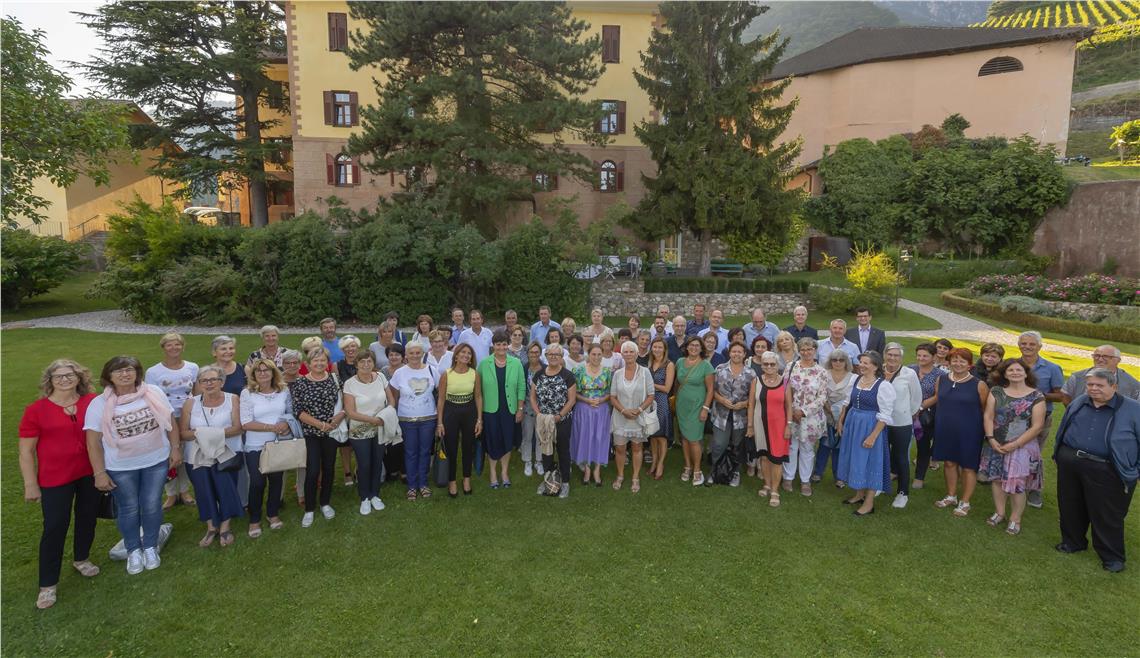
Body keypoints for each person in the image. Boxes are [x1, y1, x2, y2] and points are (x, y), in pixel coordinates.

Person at [85, 356, 180, 575]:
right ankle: (133, 550)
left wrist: (175, 448)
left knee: (151, 504)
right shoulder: (99, 404)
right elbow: (93, 442)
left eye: (129, 370)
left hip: (155, 461)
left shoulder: (153, 392)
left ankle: (150, 547)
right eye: (118, 371)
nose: (125, 374)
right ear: (109, 376)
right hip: (120, 467)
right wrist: (99, 473)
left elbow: (170, 421)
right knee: (128, 508)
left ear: (137, 372)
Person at [19, 359, 100, 609]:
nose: (64, 380)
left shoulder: (92, 402)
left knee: (87, 517)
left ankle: (81, 558)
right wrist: (30, 484)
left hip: (89, 472)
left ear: (79, 378)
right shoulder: (36, 410)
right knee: (55, 526)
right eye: (58, 376)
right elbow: (26, 451)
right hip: (55, 477)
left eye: (70, 375)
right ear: (50, 381)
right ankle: (47, 585)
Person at [1053, 368, 1140, 573]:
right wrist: (1059, 454)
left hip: (1107, 468)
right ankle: (1073, 542)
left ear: (1114, 386)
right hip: (1071, 463)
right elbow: (1064, 426)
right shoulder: (1080, 401)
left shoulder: (1133, 409)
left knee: (1107, 514)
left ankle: (1112, 558)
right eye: (1090, 384)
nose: (1093, 388)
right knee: (1070, 505)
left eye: (1099, 385)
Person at [979, 358, 1045, 536]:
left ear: (1026, 373)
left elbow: (1037, 426)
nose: (1015, 373)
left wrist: (1014, 444)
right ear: (1004, 374)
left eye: (1018, 370)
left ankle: (1015, 519)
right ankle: (999, 512)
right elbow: (988, 416)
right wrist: (991, 438)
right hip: (996, 444)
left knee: (1017, 485)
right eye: (1010, 370)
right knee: (996, 479)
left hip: (1021, 447)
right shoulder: (996, 391)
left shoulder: (1036, 396)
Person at [180, 366, 244, 548]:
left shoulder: (233, 399)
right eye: (204, 381)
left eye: (213, 380)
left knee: (226, 488)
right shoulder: (190, 403)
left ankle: (225, 526)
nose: (209, 384)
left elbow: (237, 428)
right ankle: (211, 527)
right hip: (197, 456)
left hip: (226, 454)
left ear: (221, 382)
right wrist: (215, 433)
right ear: (199, 384)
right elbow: (184, 433)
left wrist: (201, 433)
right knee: (203, 490)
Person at [931, 348, 989, 517]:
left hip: (970, 431)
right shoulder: (941, 379)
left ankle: (965, 502)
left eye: (962, 361)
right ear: (949, 362)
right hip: (945, 429)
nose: (958, 364)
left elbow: (985, 409)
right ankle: (951, 496)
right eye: (954, 360)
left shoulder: (979, 384)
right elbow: (939, 400)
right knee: (949, 463)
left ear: (969, 364)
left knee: (968, 466)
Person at [837, 352, 897, 516]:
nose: (861, 365)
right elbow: (847, 402)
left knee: (870, 462)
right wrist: (841, 420)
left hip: (870, 426)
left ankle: (869, 503)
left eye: (866, 363)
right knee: (856, 458)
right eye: (861, 362)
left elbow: (885, 414)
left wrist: (873, 436)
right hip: (853, 423)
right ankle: (859, 494)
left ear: (875, 366)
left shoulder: (883, 386)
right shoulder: (855, 379)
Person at [292, 347, 346, 526]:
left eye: (323, 360)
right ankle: (309, 509)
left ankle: (325, 503)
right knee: (313, 470)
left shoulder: (334, 379)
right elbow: (298, 411)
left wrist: (339, 417)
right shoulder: (300, 383)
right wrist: (320, 425)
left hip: (332, 431)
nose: (319, 363)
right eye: (315, 361)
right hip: (311, 433)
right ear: (308, 364)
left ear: (327, 363)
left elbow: (344, 403)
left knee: (329, 468)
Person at [240, 359, 293, 536]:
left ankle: (272, 514)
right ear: (253, 374)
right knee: (257, 482)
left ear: (273, 372)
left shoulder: (283, 390)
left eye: (266, 370)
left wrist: (286, 424)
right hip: (255, 445)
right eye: (259, 371)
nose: (263, 373)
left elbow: (290, 412)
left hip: (278, 443)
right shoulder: (247, 393)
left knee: (276, 480)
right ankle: (254, 519)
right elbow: (246, 422)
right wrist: (271, 427)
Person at [146, 333, 197, 510]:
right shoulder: (153, 372)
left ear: (183, 346)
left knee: (185, 452)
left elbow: (197, 392)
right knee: (170, 453)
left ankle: (184, 490)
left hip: (188, 416)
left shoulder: (192, 367)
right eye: (169, 345)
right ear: (163, 348)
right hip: (166, 417)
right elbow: (151, 397)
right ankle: (171, 493)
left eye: (177, 344)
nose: (174, 348)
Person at [1016, 331, 1064, 509]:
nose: (1027, 347)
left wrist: (1039, 396)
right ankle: (1012, 482)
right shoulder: (1012, 365)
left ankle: (1035, 489)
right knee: (1014, 451)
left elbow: (1060, 395)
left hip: (1040, 419)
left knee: (1034, 455)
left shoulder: (1052, 368)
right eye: (1024, 343)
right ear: (1019, 345)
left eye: (1032, 344)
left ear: (1039, 347)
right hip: (1014, 418)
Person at [342, 351, 393, 512]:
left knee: (377, 462)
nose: (366, 364)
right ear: (356, 364)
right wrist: (373, 420)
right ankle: (364, 497)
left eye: (369, 361)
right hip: (360, 430)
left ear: (373, 363)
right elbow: (350, 412)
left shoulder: (381, 377)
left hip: (380, 427)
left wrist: (385, 415)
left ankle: (375, 494)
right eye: (362, 362)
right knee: (364, 464)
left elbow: (391, 400)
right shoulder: (350, 384)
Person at [388, 342, 440, 500]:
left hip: (428, 418)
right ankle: (411, 485)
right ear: (406, 355)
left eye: (418, 352)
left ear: (423, 354)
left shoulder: (432, 370)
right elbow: (394, 397)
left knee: (425, 451)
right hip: (406, 419)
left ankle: (423, 483)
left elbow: (440, 394)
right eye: (411, 353)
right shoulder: (399, 373)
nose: (415, 356)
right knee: (410, 452)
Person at [476, 333, 526, 489]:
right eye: (498, 344)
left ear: (508, 345)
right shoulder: (484, 364)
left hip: (509, 410)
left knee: (507, 440)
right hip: (490, 411)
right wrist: (479, 415)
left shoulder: (516, 363)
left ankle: (504, 472)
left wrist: (520, 409)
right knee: (492, 440)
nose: (501, 347)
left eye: (504, 344)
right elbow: (478, 391)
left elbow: (521, 387)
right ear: (493, 346)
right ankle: (492, 472)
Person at [530, 344, 578, 498]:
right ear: (546, 356)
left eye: (557, 354)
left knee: (563, 450)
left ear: (561, 356)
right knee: (546, 451)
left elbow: (571, 400)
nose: (553, 357)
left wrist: (560, 415)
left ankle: (565, 483)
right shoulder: (539, 375)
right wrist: (538, 414)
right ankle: (548, 480)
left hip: (562, 420)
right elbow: (532, 397)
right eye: (550, 354)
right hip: (544, 420)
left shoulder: (568, 375)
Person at [784, 338, 828, 496]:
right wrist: (792, 410)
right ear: (798, 350)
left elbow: (822, 397)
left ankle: (805, 480)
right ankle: (788, 477)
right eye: (803, 349)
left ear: (815, 350)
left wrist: (803, 411)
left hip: (811, 417)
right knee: (791, 447)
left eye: (809, 349)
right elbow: (784, 389)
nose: (806, 352)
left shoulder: (821, 372)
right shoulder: (791, 367)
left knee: (807, 449)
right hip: (791, 414)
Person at [437, 343, 482, 496]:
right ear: (456, 355)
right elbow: (441, 399)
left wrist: (479, 420)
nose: (466, 355)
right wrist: (440, 422)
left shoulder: (474, 374)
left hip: (469, 411)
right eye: (463, 352)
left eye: (469, 353)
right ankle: (452, 480)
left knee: (468, 446)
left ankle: (466, 478)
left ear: (471, 358)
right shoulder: (446, 374)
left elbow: (478, 397)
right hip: (451, 412)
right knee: (451, 447)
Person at [710, 342, 757, 488]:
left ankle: (735, 472)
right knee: (719, 444)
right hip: (721, 415)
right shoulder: (719, 369)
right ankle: (715, 470)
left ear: (744, 354)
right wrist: (722, 400)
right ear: (729, 353)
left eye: (739, 352)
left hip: (741, 417)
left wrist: (743, 404)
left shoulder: (751, 373)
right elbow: (712, 391)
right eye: (734, 351)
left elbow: (753, 398)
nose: (736, 354)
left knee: (737, 446)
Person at [610, 341, 655, 493]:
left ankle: (635, 477)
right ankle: (620, 475)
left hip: (638, 417)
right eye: (626, 352)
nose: (628, 354)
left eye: (631, 352)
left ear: (636, 354)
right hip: (620, 417)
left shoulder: (645, 372)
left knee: (637, 447)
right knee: (620, 448)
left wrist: (639, 409)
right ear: (622, 354)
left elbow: (651, 395)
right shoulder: (617, 374)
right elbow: (613, 397)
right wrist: (623, 411)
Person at [882, 343, 922, 509]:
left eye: (896, 355)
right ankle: (880, 484)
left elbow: (916, 398)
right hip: (880, 422)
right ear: (885, 355)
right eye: (890, 354)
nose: (892, 358)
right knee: (881, 455)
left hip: (901, 423)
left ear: (901, 357)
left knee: (901, 457)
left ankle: (903, 493)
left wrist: (907, 413)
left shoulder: (909, 373)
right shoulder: (878, 370)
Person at [753, 352, 792, 507]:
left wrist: (788, 425)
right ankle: (767, 485)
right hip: (760, 424)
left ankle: (775, 491)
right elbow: (751, 404)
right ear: (762, 365)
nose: (769, 366)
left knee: (776, 459)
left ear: (778, 365)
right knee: (764, 457)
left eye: (772, 364)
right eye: (766, 364)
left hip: (779, 426)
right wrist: (750, 426)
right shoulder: (756, 381)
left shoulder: (785, 382)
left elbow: (789, 406)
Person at [571, 343, 613, 486]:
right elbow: (574, 393)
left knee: (599, 438)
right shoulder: (579, 370)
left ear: (602, 355)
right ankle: (587, 469)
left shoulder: (607, 372)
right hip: (583, 409)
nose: (596, 357)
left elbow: (610, 393)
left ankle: (597, 469)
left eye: (599, 354)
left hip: (601, 410)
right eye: (593, 354)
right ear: (588, 355)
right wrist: (587, 400)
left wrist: (601, 400)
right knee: (585, 437)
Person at [675, 336, 715, 486]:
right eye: (691, 345)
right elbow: (677, 383)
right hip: (682, 406)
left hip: (697, 407)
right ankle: (687, 466)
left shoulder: (706, 365)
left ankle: (697, 469)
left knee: (694, 439)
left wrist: (705, 408)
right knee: (684, 438)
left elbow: (710, 390)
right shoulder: (680, 362)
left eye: (697, 345)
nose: (694, 348)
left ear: (701, 348)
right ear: (686, 347)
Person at [814, 349, 855, 486]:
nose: (838, 362)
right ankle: (818, 472)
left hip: (844, 416)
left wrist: (840, 416)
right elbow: (820, 393)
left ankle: (839, 476)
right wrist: (830, 410)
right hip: (825, 413)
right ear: (830, 361)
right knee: (824, 445)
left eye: (841, 360)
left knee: (840, 446)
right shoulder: (824, 374)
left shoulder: (853, 377)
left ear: (846, 362)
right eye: (834, 360)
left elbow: (851, 398)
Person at [910, 343, 942, 489]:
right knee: (899, 444)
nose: (921, 358)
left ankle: (919, 477)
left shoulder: (940, 375)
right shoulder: (909, 369)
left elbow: (938, 395)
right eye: (919, 355)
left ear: (933, 357)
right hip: (905, 413)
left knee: (923, 446)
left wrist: (919, 407)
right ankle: (895, 470)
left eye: (925, 356)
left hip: (925, 416)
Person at [1061, 345, 1140, 404]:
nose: (1100, 359)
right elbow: (1065, 394)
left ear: (1117, 360)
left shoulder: (1132, 384)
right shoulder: (1077, 377)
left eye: (1106, 356)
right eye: (1097, 356)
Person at [646, 337, 675, 481]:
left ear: (664, 349)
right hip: (649, 401)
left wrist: (650, 384)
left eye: (660, 347)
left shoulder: (669, 365)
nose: (657, 349)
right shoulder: (650, 363)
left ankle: (660, 464)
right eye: (655, 347)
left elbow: (667, 388)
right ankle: (654, 461)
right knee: (652, 434)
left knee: (661, 435)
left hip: (662, 401)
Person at [334, 335, 362, 487]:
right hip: (346, 407)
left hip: (363, 407)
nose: (350, 349)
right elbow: (337, 388)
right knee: (345, 443)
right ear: (342, 349)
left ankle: (359, 468)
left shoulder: (363, 362)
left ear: (357, 348)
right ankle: (347, 471)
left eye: (353, 346)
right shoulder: (337, 365)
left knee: (360, 439)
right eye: (347, 347)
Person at [519, 342, 546, 477]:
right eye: (531, 352)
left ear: (540, 353)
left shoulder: (545, 368)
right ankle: (527, 460)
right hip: (527, 406)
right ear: (527, 353)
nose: (534, 354)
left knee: (540, 435)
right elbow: (520, 387)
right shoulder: (523, 368)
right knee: (527, 434)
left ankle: (539, 461)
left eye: (536, 352)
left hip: (542, 407)